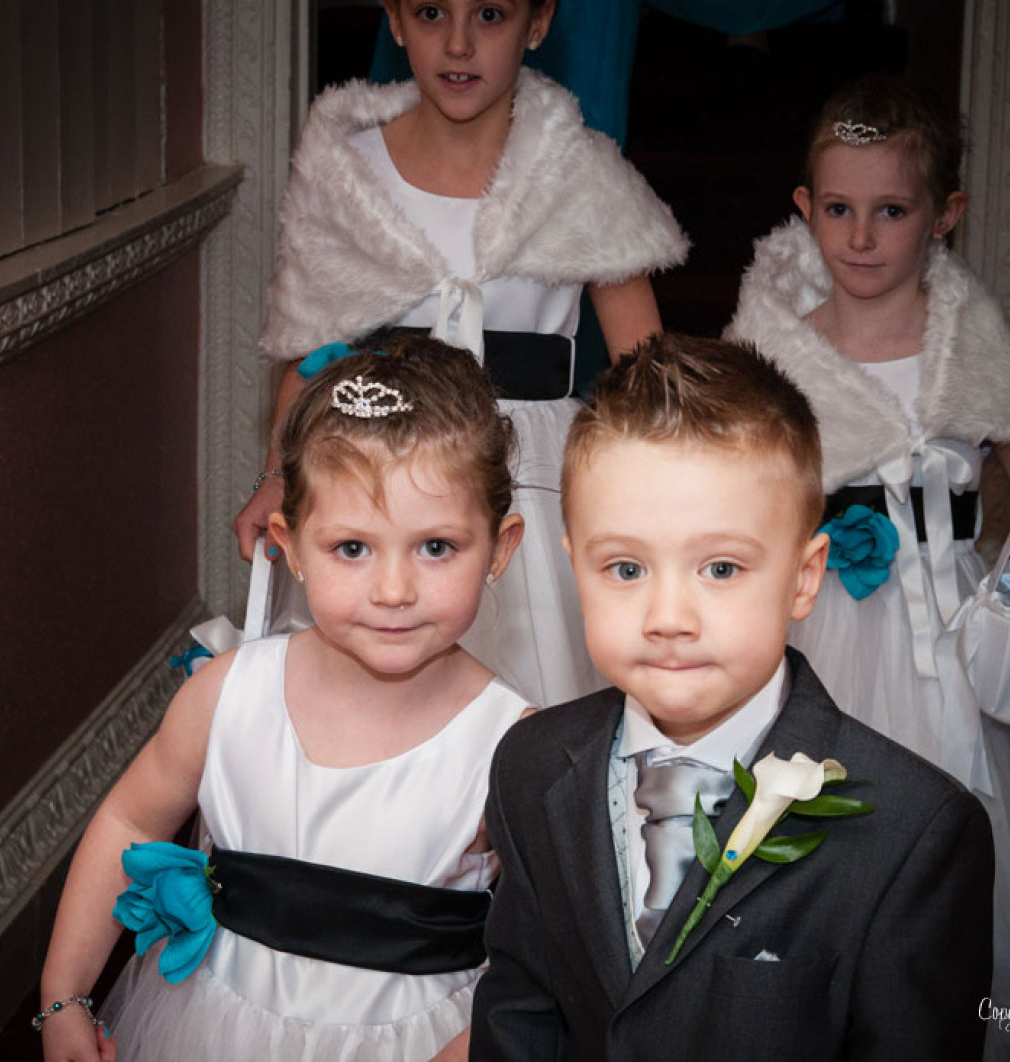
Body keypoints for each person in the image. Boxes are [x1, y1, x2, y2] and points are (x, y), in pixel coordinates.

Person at [723, 74, 1010, 1060]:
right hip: (820, 627)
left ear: (944, 215)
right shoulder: (776, 354)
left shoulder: (971, 350)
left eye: (891, 212)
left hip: (948, 628)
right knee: (820, 833)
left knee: (961, 836)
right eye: (839, 210)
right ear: (805, 208)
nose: (861, 238)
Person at [471, 335, 994, 1060]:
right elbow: (520, 1013)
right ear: (575, 569)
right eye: (625, 568)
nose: (668, 617)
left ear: (804, 578)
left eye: (720, 568)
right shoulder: (529, 766)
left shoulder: (915, 834)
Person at [40, 340, 534, 1062]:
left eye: (435, 547)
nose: (393, 590)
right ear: (291, 545)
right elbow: (130, 821)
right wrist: (63, 995)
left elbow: (546, 956)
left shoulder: (515, 747)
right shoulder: (226, 695)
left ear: (499, 548)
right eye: (352, 548)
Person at [231, 0, 690, 709]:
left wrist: (664, 496)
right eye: (431, 12)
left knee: (534, 691)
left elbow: (646, 371)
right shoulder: (347, 168)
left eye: (490, 15)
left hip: (528, 478)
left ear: (537, 24)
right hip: (375, 463)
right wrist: (274, 475)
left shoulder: (580, 172)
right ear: (395, 20)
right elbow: (309, 351)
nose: (458, 43)